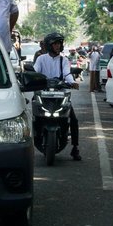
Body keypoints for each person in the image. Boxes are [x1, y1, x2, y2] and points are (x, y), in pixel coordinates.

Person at [33, 32, 82, 161]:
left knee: (74, 119)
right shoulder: (41, 59)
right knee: (31, 116)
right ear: (49, 45)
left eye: (59, 43)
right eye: (55, 43)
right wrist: (33, 79)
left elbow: (67, 73)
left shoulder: (64, 60)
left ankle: (75, 148)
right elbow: (35, 72)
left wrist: (72, 82)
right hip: (43, 93)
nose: (58, 46)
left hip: (60, 94)